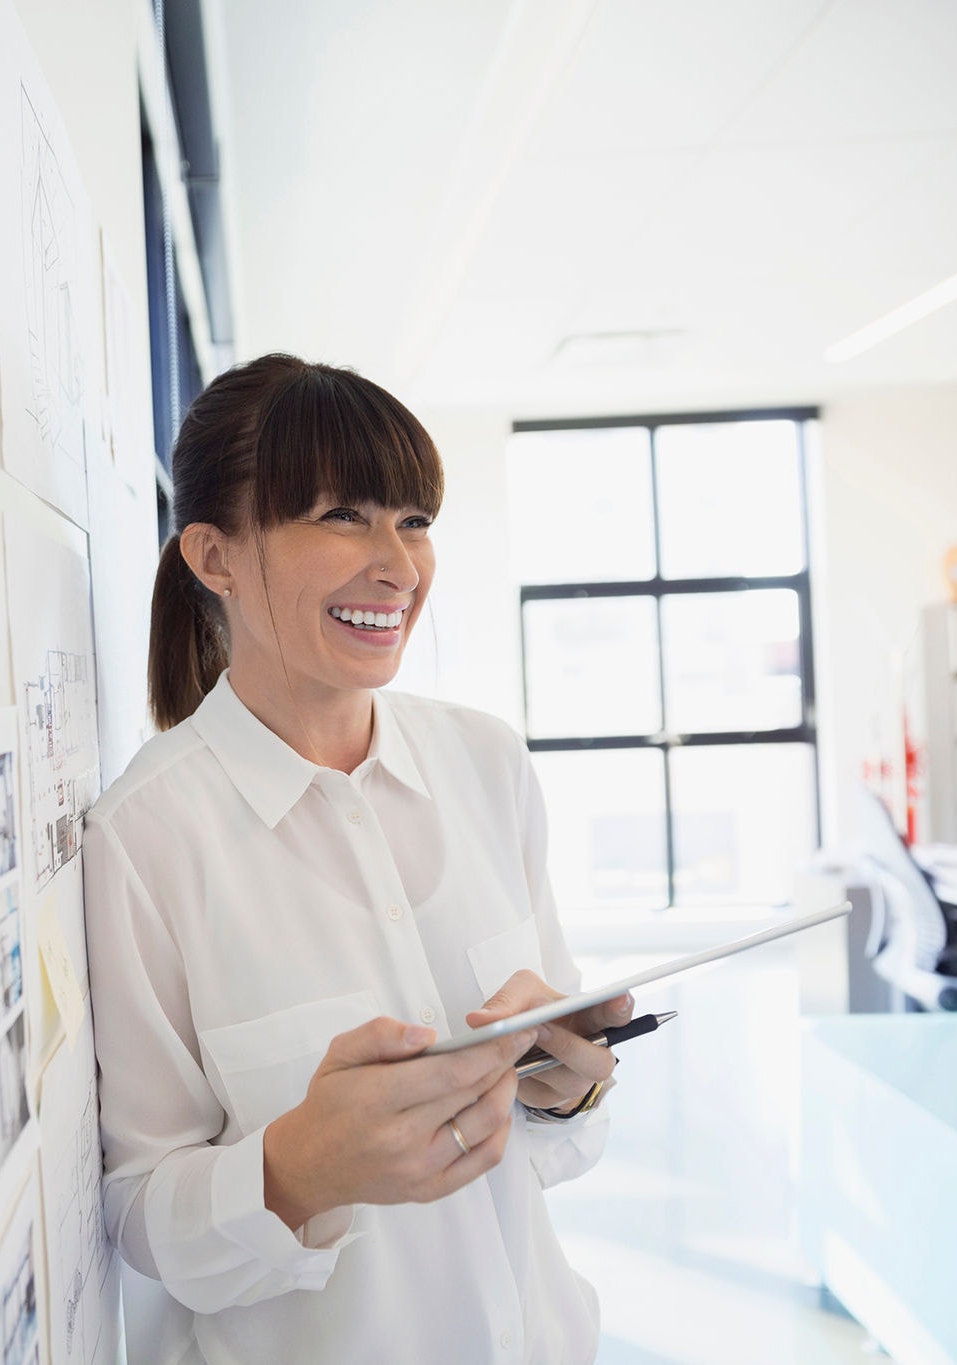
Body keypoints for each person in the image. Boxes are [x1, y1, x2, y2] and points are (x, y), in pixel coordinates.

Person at [83, 354, 628, 1365]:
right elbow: (136, 1216)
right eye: (341, 516)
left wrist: (565, 1085)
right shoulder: (144, 841)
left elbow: (552, 1139)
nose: (397, 565)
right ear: (216, 557)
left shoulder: (486, 764)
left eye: (412, 521)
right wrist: (295, 1173)